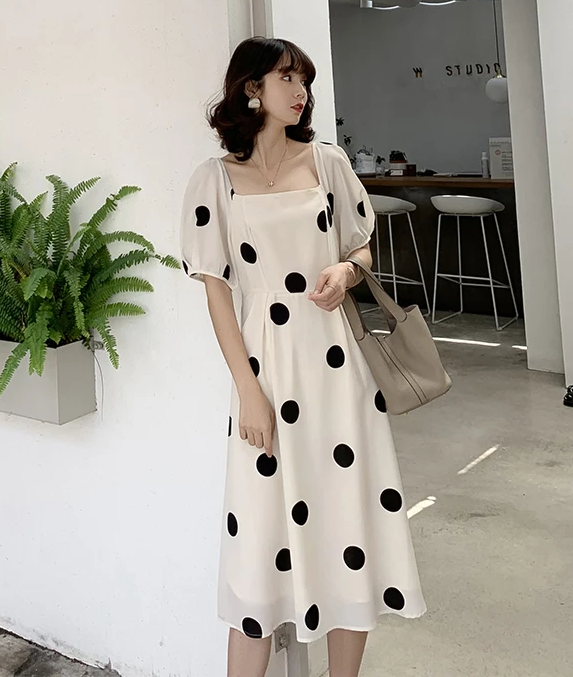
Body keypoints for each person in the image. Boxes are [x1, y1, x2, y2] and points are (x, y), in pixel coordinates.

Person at [180, 37, 426, 677]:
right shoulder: (213, 180)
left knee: (348, 526)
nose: (301, 92)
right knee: (257, 548)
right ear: (251, 88)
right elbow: (216, 294)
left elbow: (362, 244)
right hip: (265, 368)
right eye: (287, 78)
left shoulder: (328, 162)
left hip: (336, 369)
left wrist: (347, 270)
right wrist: (248, 392)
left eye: (304, 80)